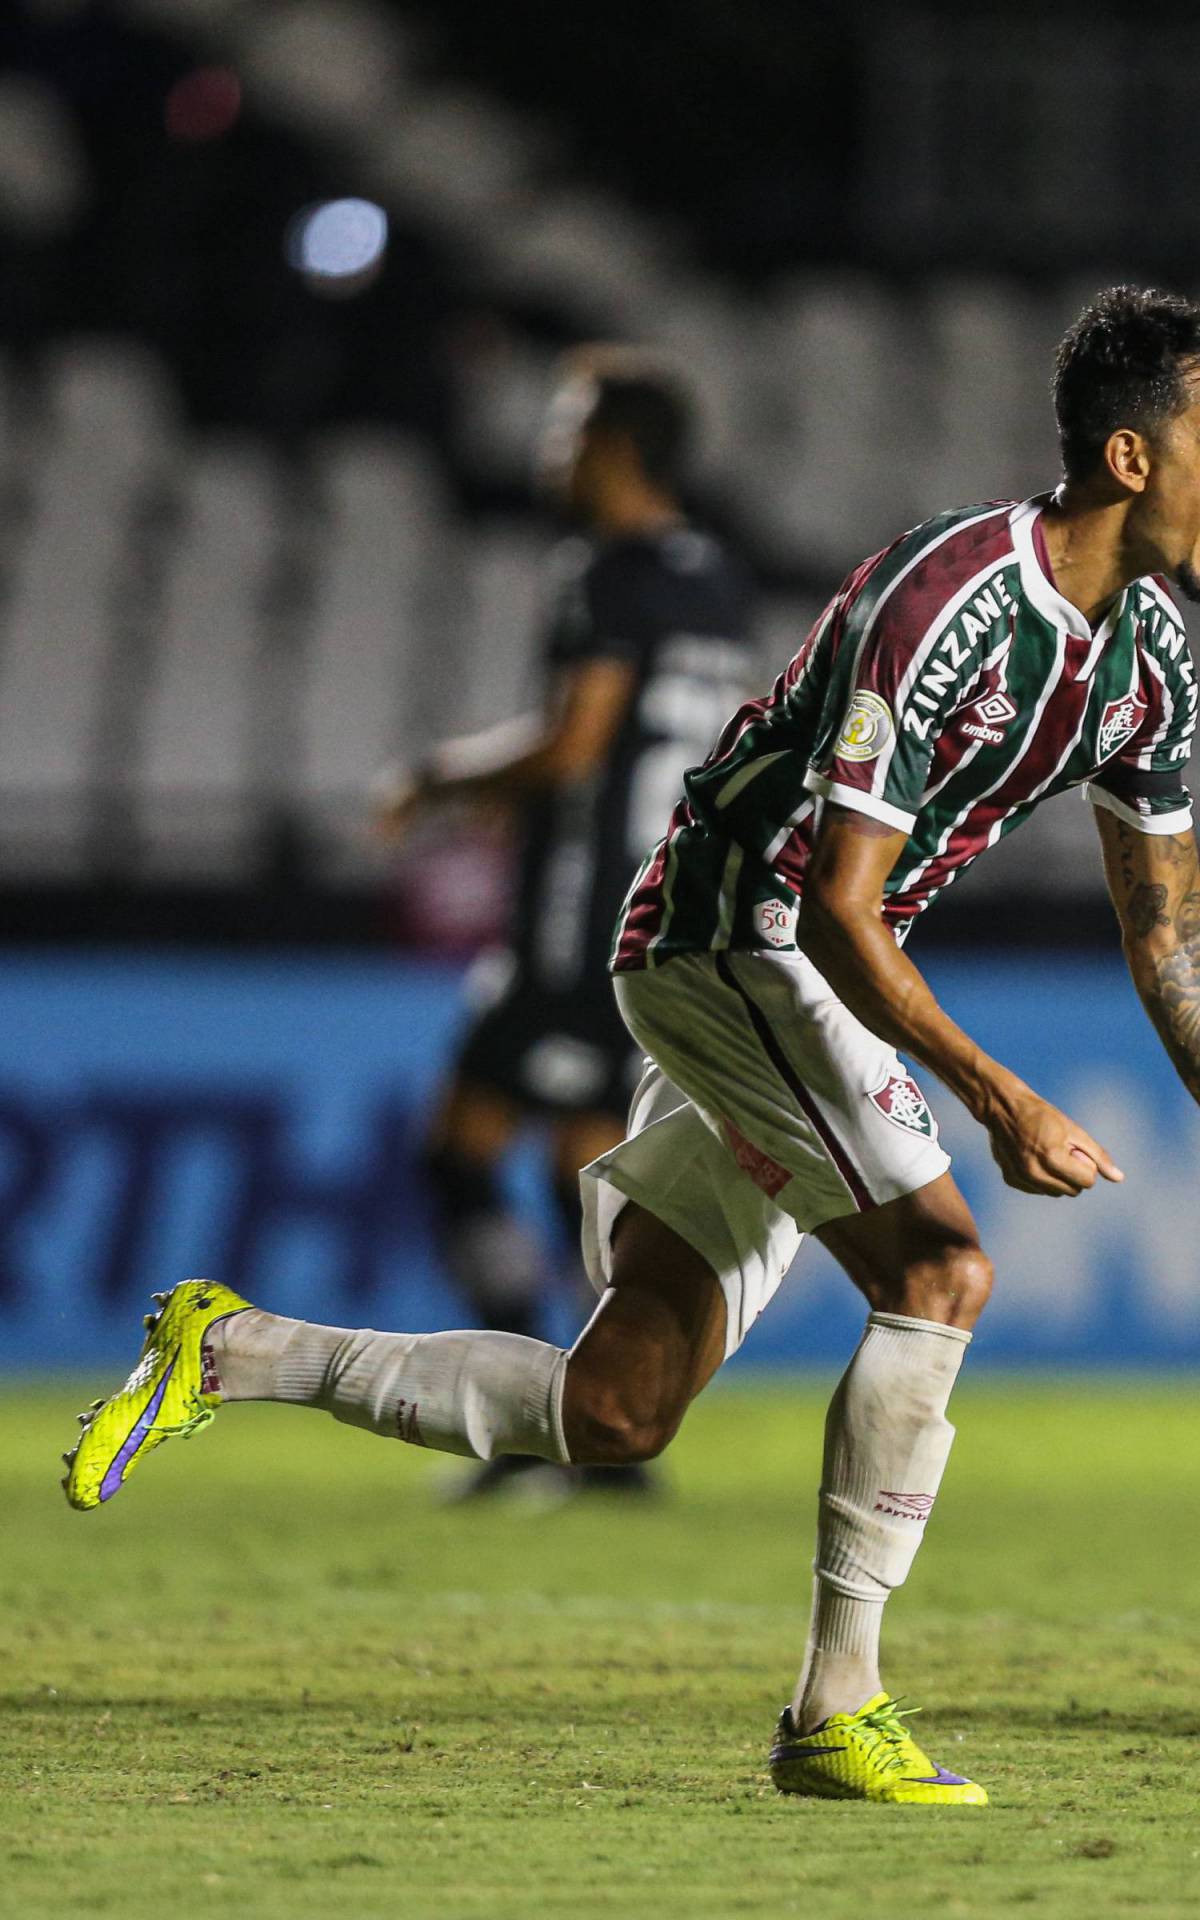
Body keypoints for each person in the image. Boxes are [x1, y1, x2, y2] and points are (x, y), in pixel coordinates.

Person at [64, 285, 1200, 1807]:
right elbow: (847, 909)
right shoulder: (950, 596)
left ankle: (234, 1349)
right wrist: (997, 1097)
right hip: (743, 935)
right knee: (940, 1270)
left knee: (615, 1413)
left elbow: (1168, 940)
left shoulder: (1160, 666)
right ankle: (834, 1709)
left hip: (775, 972)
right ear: (1131, 455)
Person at [375, 346, 755, 1496]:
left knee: (459, 1153)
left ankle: (536, 1419)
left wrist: (441, 779)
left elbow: (579, 742)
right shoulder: (717, 578)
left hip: (574, 923)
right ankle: (607, 1433)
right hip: (661, 924)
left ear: (618, 449)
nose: (554, 450)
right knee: (579, 1173)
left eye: (570, 429)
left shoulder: (605, 572)